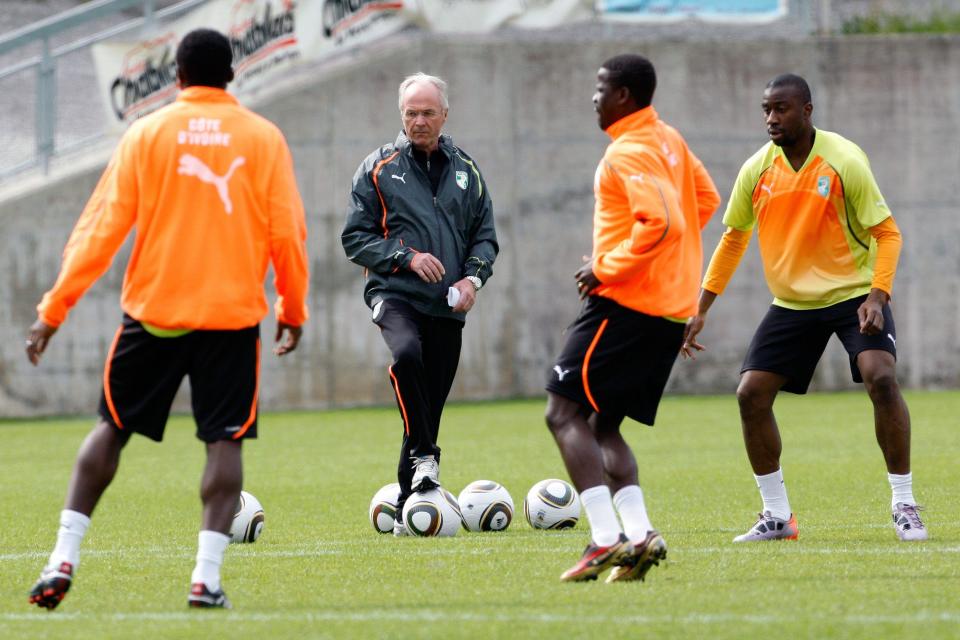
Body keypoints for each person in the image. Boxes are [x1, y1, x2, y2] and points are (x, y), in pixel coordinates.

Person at [24, 29, 309, 610]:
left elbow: (100, 231)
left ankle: (61, 561)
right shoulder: (262, 138)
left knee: (111, 430)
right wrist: (292, 308)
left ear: (176, 77)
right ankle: (205, 579)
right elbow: (288, 233)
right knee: (224, 440)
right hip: (229, 320)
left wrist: (53, 310)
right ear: (232, 75)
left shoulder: (147, 133)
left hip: (154, 316)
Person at [682, 74, 926, 543]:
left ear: (807, 110)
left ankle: (905, 503)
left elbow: (888, 233)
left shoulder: (843, 160)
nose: (771, 118)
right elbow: (733, 239)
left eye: (781, 108)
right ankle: (777, 516)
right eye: (766, 109)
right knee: (750, 395)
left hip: (854, 293)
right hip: (792, 303)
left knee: (881, 377)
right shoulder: (756, 169)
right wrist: (702, 306)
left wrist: (878, 295)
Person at [545, 54, 720, 582]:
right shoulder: (667, 138)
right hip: (666, 307)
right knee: (602, 424)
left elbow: (662, 222)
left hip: (625, 304)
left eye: (601, 89)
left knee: (561, 412)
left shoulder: (627, 151)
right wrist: (669, 274)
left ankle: (604, 539)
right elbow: (703, 201)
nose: (593, 98)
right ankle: (640, 536)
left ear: (623, 95)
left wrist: (606, 266)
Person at [341, 73, 498, 536]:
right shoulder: (376, 167)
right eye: (411, 112)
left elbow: (485, 238)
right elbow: (354, 238)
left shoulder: (467, 170)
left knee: (427, 405)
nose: (419, 121)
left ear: (445, 115)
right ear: (401, 115)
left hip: (448, 306)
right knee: (406, 355)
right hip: (394, 295)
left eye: (428, 112)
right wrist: (406, 258)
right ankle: (428, 459)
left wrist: (472, 279)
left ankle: (410, 500)